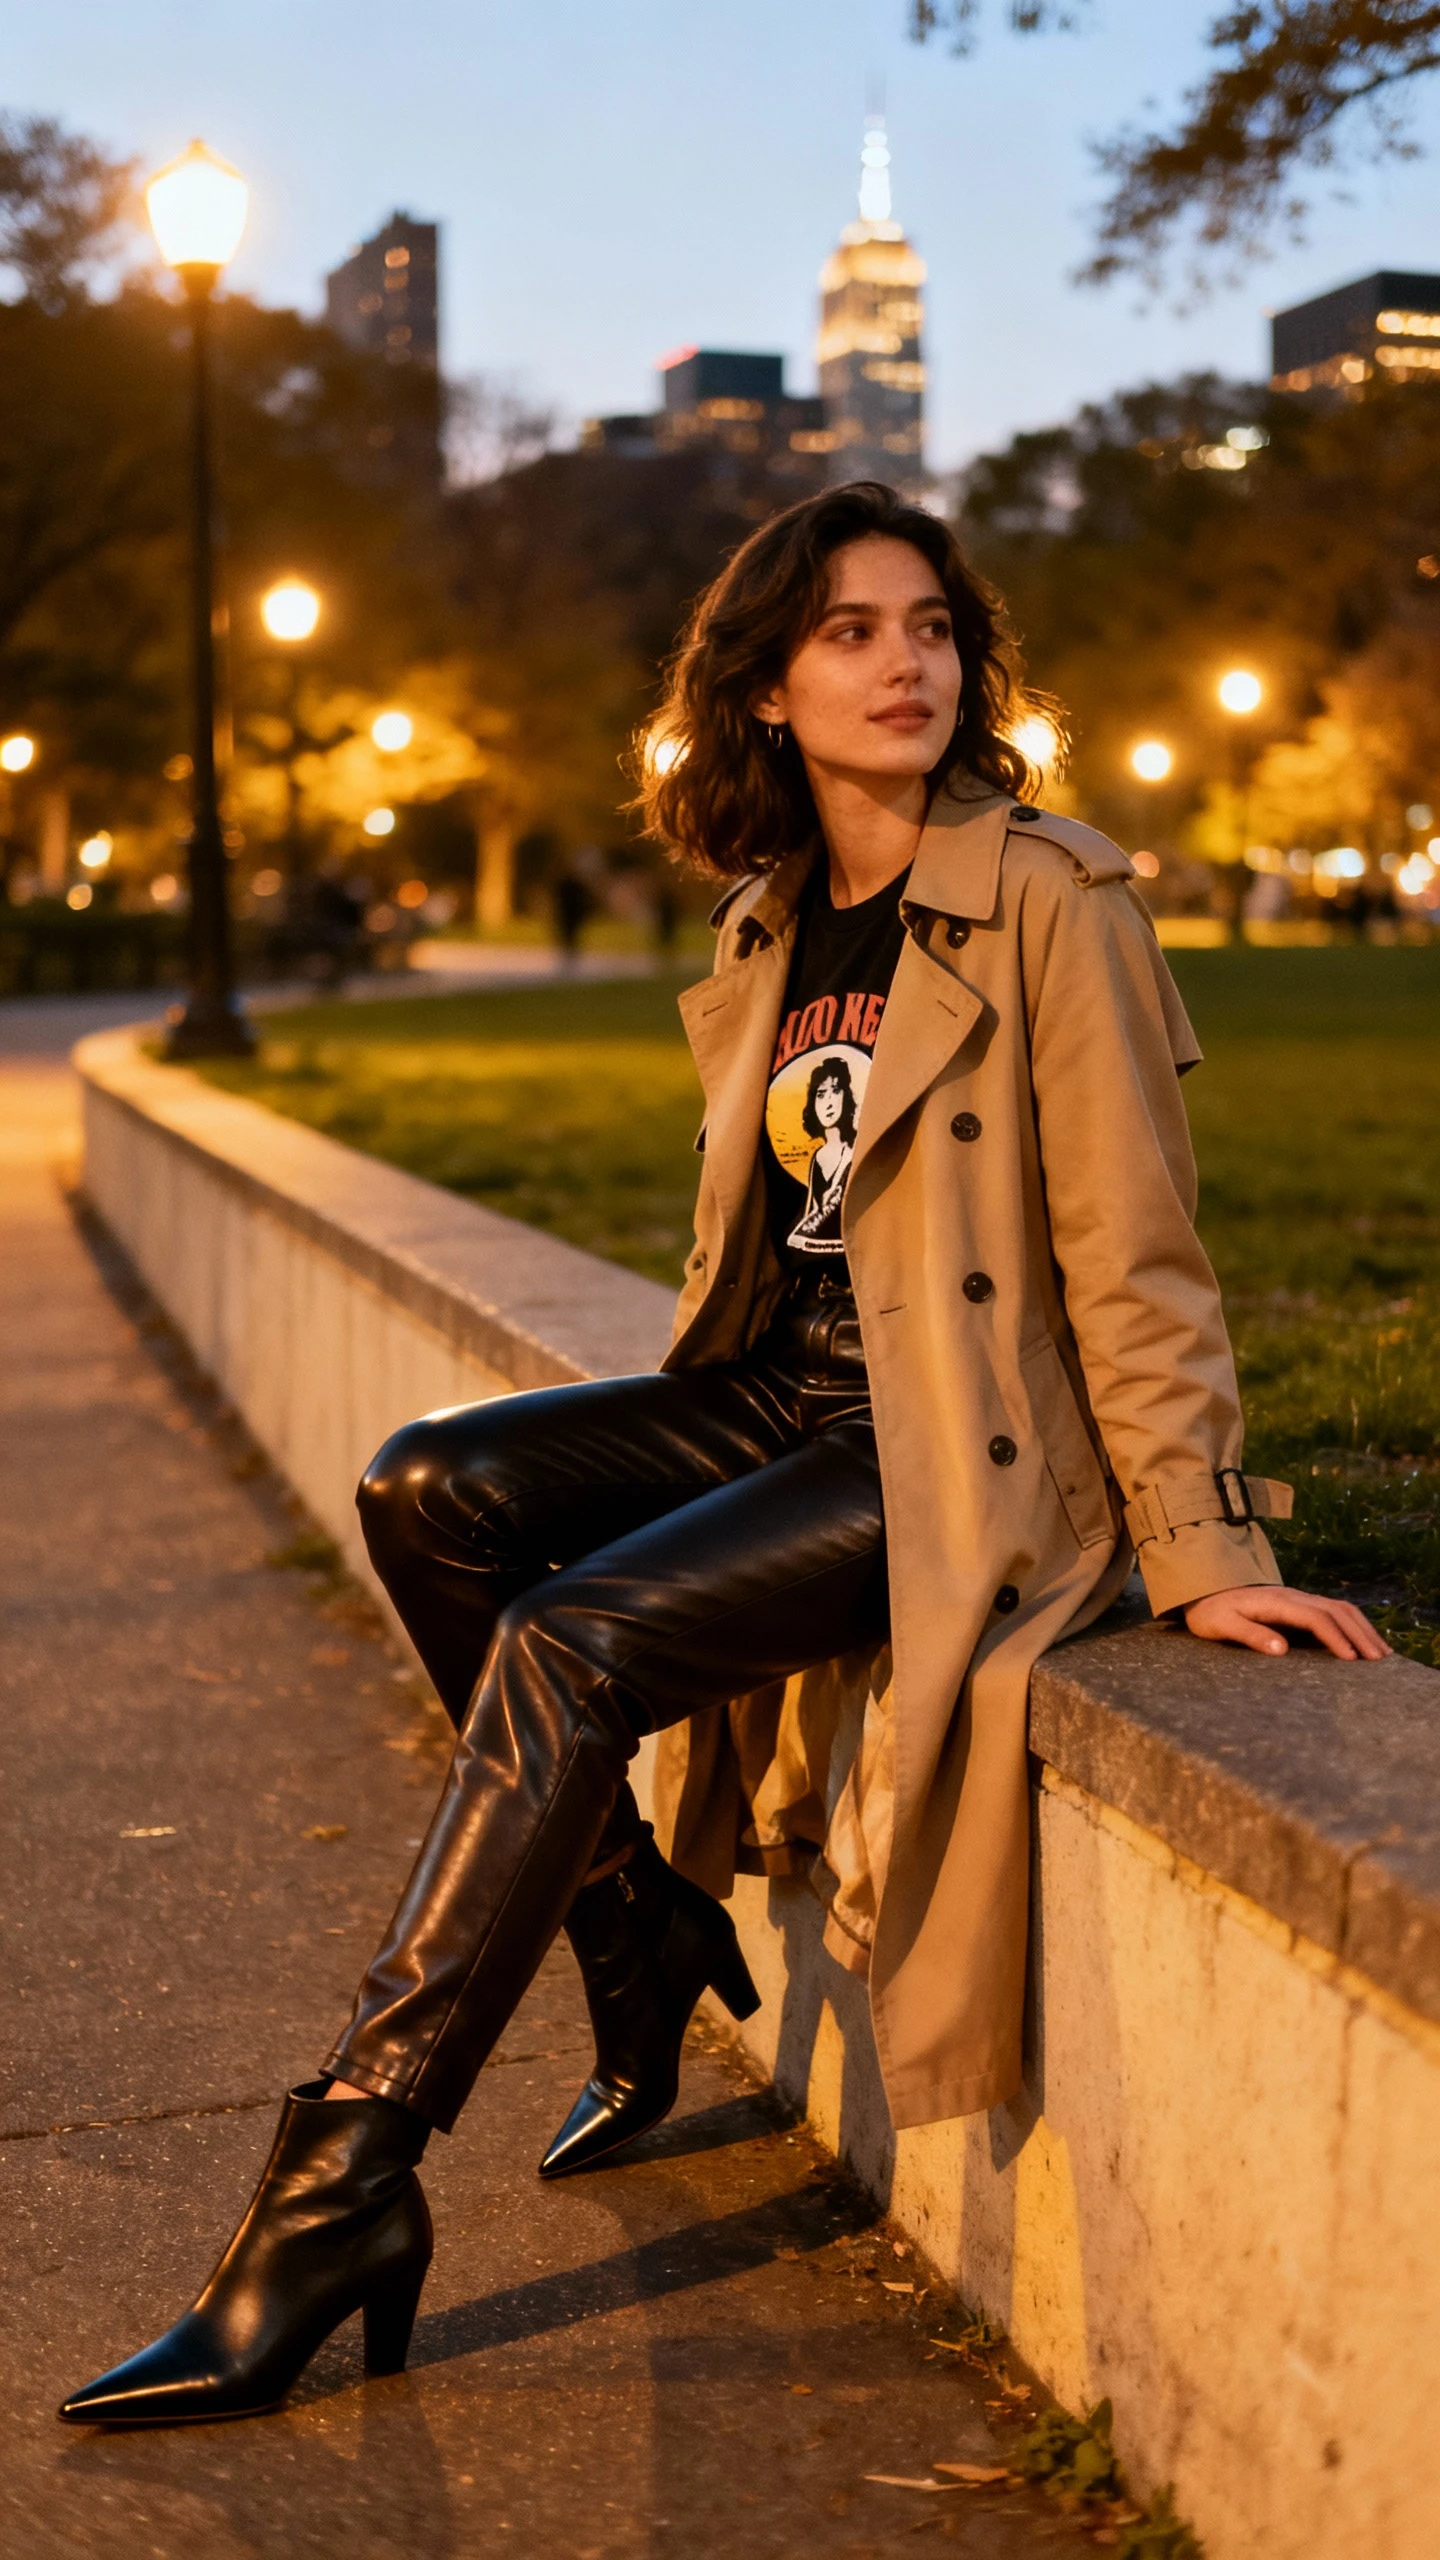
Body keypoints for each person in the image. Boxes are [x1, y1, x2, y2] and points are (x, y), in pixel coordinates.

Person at [60, 481, 1387, 2429]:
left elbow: (1138, 1249)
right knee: (430, 1489)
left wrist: (1199, 1537)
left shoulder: (1050, 895)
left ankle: (341, 2182)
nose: (904, 660)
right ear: (765, 682)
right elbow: (771, 1248)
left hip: (958, 1445)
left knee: (570, 1645)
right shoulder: (772, 920)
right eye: (851, 629)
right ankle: (633, 1910)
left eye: (930, 624)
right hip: (788, 1394)